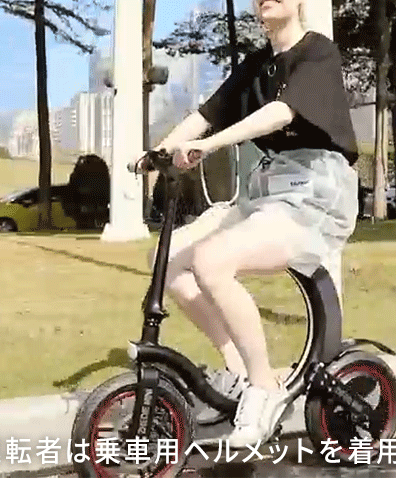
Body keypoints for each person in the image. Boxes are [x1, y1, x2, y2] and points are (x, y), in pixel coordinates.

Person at [132, 0, 359, 448]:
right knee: (169, 259)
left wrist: (210, 145)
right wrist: (157, 152)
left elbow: (282, 112)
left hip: (314, 195)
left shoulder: (318, 52)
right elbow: (206, 114)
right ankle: (238, 372)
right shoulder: (257, 64)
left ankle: (264, 388)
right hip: (266, 191)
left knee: (212, 262)